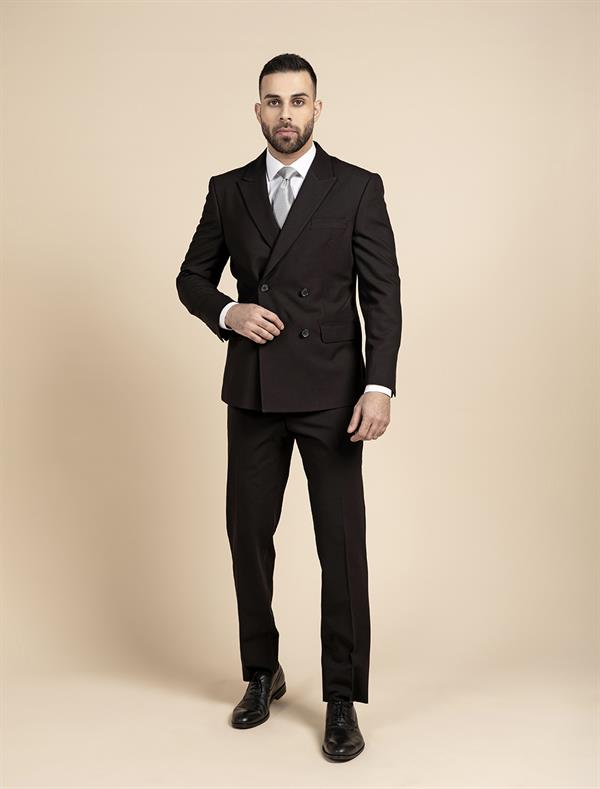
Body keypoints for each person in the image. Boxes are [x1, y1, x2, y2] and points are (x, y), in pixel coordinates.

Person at [176, 52, 402, 762]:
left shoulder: (356, 187)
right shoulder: (228, 189)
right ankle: (260, 671)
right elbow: (191, 277)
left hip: (333, 393)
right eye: (273, 102)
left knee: (341, 544)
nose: (285, 114)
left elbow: (383, 296)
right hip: (254, 388)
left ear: (316, 108)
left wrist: (379, 385)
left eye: (297, 101)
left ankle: (342, 695)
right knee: (248, 536)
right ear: (258, 111)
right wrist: (228, 312)